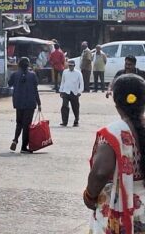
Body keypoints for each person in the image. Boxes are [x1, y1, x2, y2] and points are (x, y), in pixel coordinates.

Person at [84, 74, 145, 233]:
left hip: (118, 208)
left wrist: (89, 195)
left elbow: (100, 172)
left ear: (116, 102)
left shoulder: (113, 133)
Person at [8, 56, 42, 153]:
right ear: (28, 65)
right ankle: (23, 147)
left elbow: (9, 83)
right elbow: (35, 90)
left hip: (18, 102)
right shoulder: (33, 75)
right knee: (27, 125)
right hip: (30, 103)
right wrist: (39, 103)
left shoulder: (15, 74)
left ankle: (15, 139)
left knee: (19, 123)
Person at [59, 60, 83, 127]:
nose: (70, 67)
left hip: (74, 92)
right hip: (66, 91)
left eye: (71, 66)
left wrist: (79, 91)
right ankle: (64, 121)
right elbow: (62, 82)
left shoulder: (78, 73)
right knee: (64, 106)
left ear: (74, 66)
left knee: (75, 107)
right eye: (69, 66)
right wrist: (61, 90)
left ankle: (76, 120)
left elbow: (81, 84)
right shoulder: (65, 72)